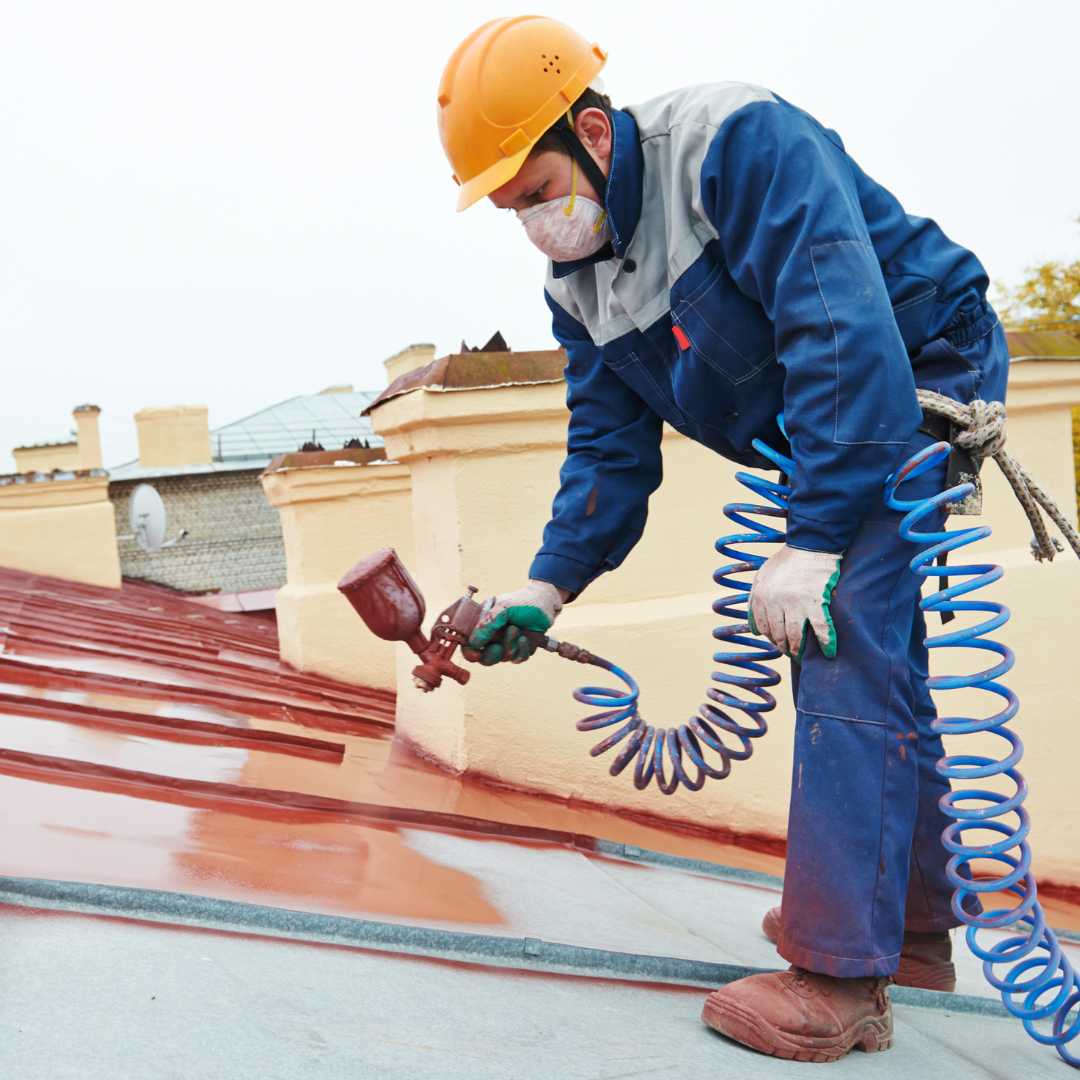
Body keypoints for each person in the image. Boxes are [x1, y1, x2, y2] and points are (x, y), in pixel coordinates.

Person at [437, 15, 1009, 1063]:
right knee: (874, 638)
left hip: (914, 367)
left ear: (597, 135)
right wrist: (546, 591)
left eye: (536, 192)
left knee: (836, 631)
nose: (533, 225)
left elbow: (841, 328)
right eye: (511, 210)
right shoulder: (580, 287)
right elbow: (608, 455)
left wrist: (816, 537)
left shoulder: (737, 144)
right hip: (826, 408)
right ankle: (913, 932)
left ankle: (841, 980)